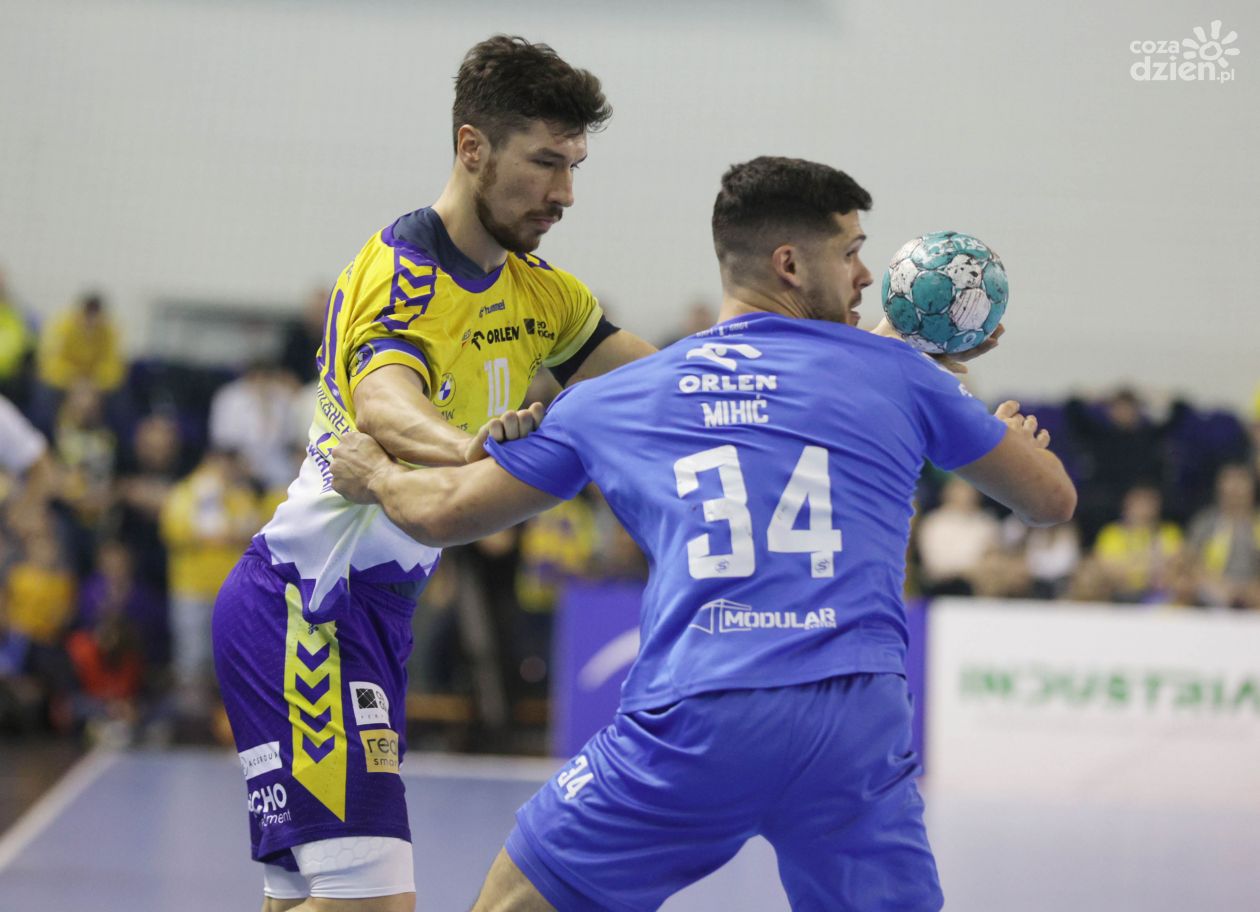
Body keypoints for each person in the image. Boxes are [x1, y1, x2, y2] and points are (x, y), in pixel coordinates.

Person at [330, 156, 1077, 911]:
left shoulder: (619, 395)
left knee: (512, 902)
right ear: (790, 265)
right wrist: (1000, 428)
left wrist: (375, 476)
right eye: (851, 253)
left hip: (697, 716)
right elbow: (1051, 500)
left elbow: (446, 511)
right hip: (853, 724)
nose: (865, 279)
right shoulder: (900, 373)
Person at [211, 35, 654, 911]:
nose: (565, 193)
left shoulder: (545, 295)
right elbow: (383, 405)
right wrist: (473, 451)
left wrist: (805, 363)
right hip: (307, 610)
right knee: (375, 903)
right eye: (545, 163)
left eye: (574, 166)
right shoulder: (401, 274)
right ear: (472, 148)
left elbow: (666, 380)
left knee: (309, 899)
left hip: (372, 619)